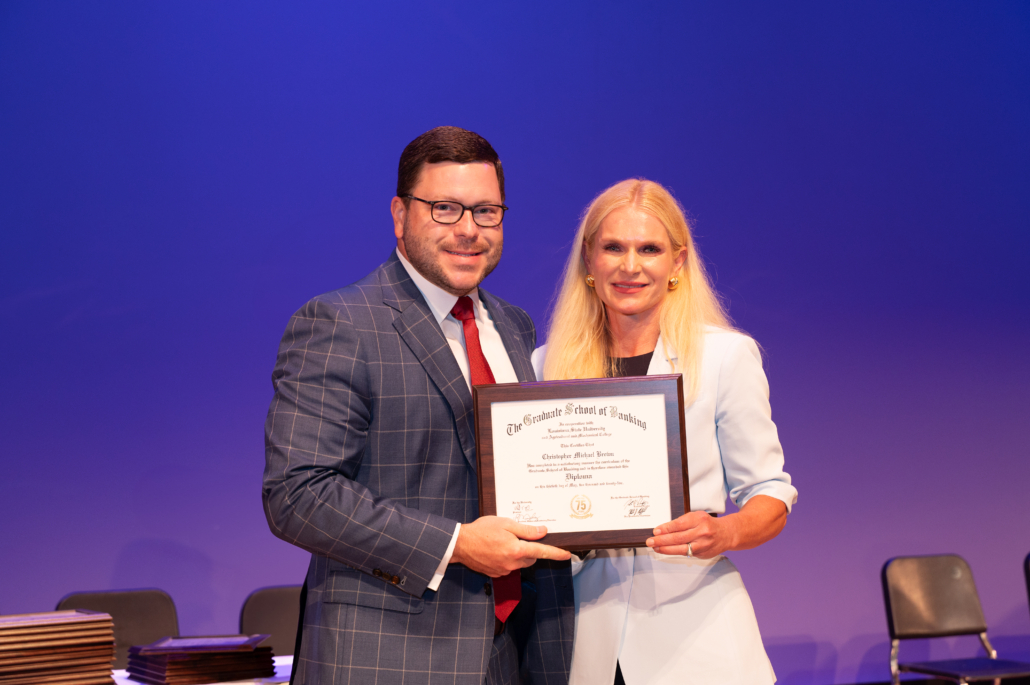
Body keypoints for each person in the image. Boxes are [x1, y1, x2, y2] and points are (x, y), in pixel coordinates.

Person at [262, 126, 571, 685]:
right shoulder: (340, 322)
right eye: (445, 209)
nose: (469, 230)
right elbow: (298, 494)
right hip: (385, 658)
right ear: (400, 215)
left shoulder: (514, 325)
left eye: (486, 211)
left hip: (508, 655)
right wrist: (457, 545)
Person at [527, 178, 798, 685]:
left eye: (649, 249)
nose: (630, 266)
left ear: (677, 262)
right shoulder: (546, 365)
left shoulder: (724, 356)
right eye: (613, 247)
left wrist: (724, 532)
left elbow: (770, 493)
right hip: (585, 638)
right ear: (588, 259)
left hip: (698, 634)